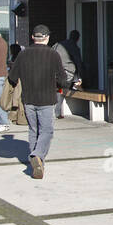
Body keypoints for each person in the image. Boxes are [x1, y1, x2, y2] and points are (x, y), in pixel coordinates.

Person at [7, 24, 77, 179]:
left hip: (28, 98)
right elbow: (62, 79)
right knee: (47, 130)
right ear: (47, 38)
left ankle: (37, 163)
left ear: (33, 37)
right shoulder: (53, 55)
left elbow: (12, 77)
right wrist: (71, 84)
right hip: (47, 98)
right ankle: (37, 155)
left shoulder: (23, 55)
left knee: (33, 130)